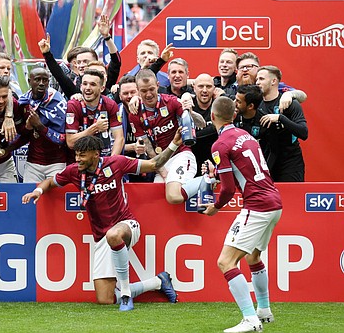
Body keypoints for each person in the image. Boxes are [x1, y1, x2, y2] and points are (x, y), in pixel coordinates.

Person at [22, 134, 182, 311]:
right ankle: (158, 282)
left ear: (95, 154)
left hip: (127, 225)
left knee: (113, 234)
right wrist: (38, 191)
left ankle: (127, 294)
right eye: (76, 155)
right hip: (101, 238)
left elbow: (153, 165)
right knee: (105, 299)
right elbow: (50, 182)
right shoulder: (74, 171)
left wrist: (174, 144)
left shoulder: (116, 163)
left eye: (82, 155)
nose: (78, 159)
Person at [200, 96, 282, 333]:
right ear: (234, 115)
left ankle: (250, 319)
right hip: (274, 202)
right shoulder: (248, 136)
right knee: (253, 257)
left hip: (257, 206)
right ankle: (264, 310)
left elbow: (226, 189)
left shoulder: (220, 145)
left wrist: (215, 206)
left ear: (212, 117)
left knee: (225, 262)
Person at [128, 69, 204, 205]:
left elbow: (201, 124)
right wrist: (162, 171)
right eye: (144, 91)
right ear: (138, 91)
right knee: (156, 202)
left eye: (151, 89)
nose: (149, 94)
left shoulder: (171, 102)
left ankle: (208, 179)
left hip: (181, 155)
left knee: (173, 196)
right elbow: (147, 147)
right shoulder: (135, 113)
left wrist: (190, 111)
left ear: (158, 85)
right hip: (160, 161)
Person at [40, 15, 122, 99]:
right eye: (79, 62)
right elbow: (59, 75)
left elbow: (116, 61)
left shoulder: (108, 84)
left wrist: (107, 37)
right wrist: (47, 53)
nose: (81, 65)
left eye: (85, 61)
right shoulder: (76, 88)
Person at [255, 66, 308, 182]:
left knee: (292, 199)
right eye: (257, 79)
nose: (257, 82)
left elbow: (304, 133)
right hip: (265, 164)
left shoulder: (289, 103)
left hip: (290, 164)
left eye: (261, 79)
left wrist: (280, 118)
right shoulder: (255, 105)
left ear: (274, 81)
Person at [17, 67, 67, 182]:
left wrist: (40, 126)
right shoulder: (23, 102)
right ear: (29, 81)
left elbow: (62, 139)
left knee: (56, 199)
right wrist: (28, 127)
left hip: (57, 163)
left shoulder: (58, 102)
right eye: (37, 80)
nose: (41, 83)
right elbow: (21, 134)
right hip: (33, 163)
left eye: (45, 80)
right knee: (28, 198)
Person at [65, 69, 124, 157]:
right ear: (81, 87)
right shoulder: (73, 105)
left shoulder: (110, 105)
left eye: (93, 84)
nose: (88, 88)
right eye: (85, 84)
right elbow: (70, 142)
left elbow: (119, 138)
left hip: (103, 156)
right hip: (78, 160)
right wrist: (95, 127)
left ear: (102, 88)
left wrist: (111, 161)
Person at [236, 52, 306, 111]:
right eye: (241, 67)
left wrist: (289, 95)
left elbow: (302, 95)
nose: (245, 70)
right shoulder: (233, 88)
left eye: (249, 66)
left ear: (258, 68)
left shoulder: (269, 85)